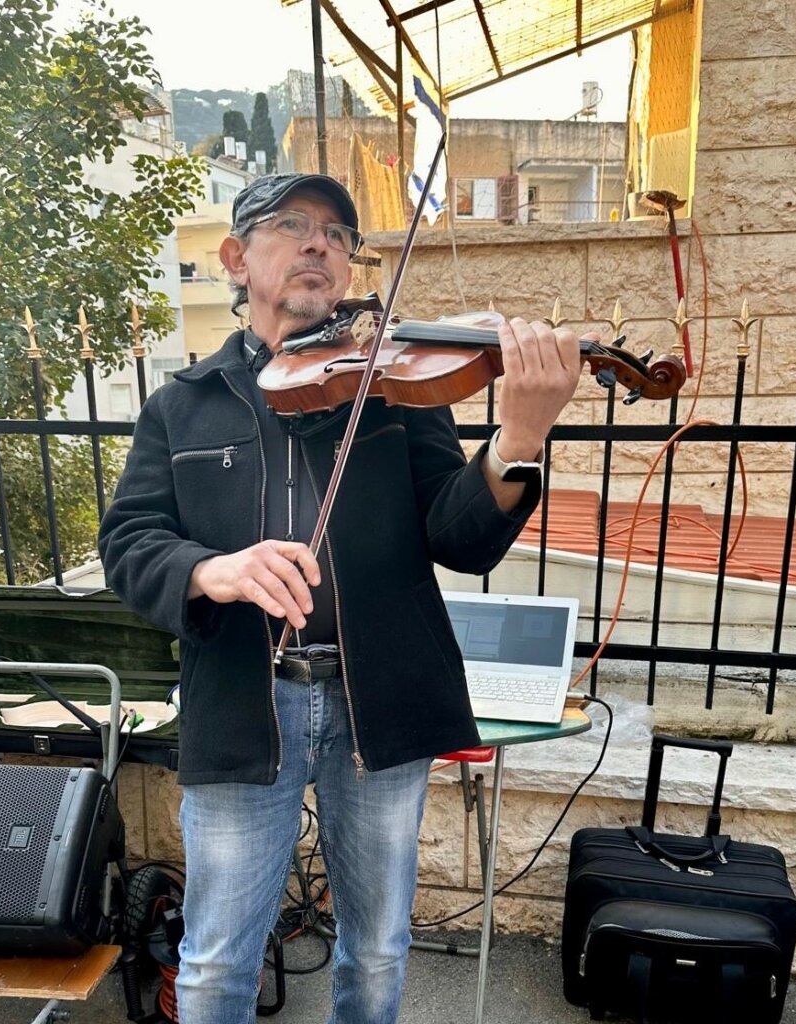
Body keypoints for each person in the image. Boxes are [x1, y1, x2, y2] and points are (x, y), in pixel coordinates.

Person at [98, 172, 583, 1024]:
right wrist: (214, 571)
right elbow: (130, 544)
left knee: (380, 948)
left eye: (338, 234)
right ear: (237, 257)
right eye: (294, 225)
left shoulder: (392, 387)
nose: (320, 242)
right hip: (247, 701)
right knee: (215, 962)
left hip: (381, 700)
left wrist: (520, 438)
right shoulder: (183, 404)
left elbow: (461, 538)